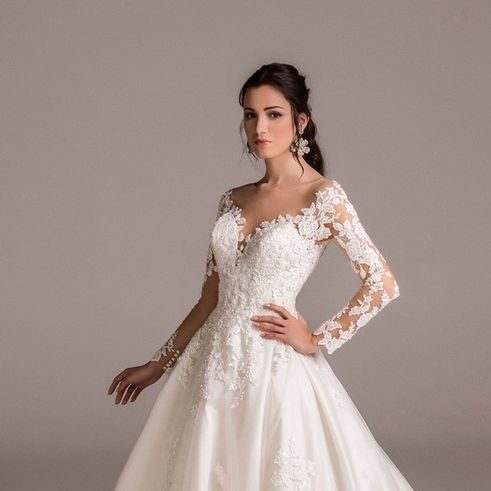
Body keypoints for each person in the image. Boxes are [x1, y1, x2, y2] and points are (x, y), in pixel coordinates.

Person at [108, 62, 414, 490]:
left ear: (300, 122)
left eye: (273, 114)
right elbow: (211, 297)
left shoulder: (323, 198)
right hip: (213, 365)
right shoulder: (232, 199)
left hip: (273, 369)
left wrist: (317, 339)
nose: (259, 127)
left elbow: (382, 283)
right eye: (250, 115)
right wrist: (158, 364)